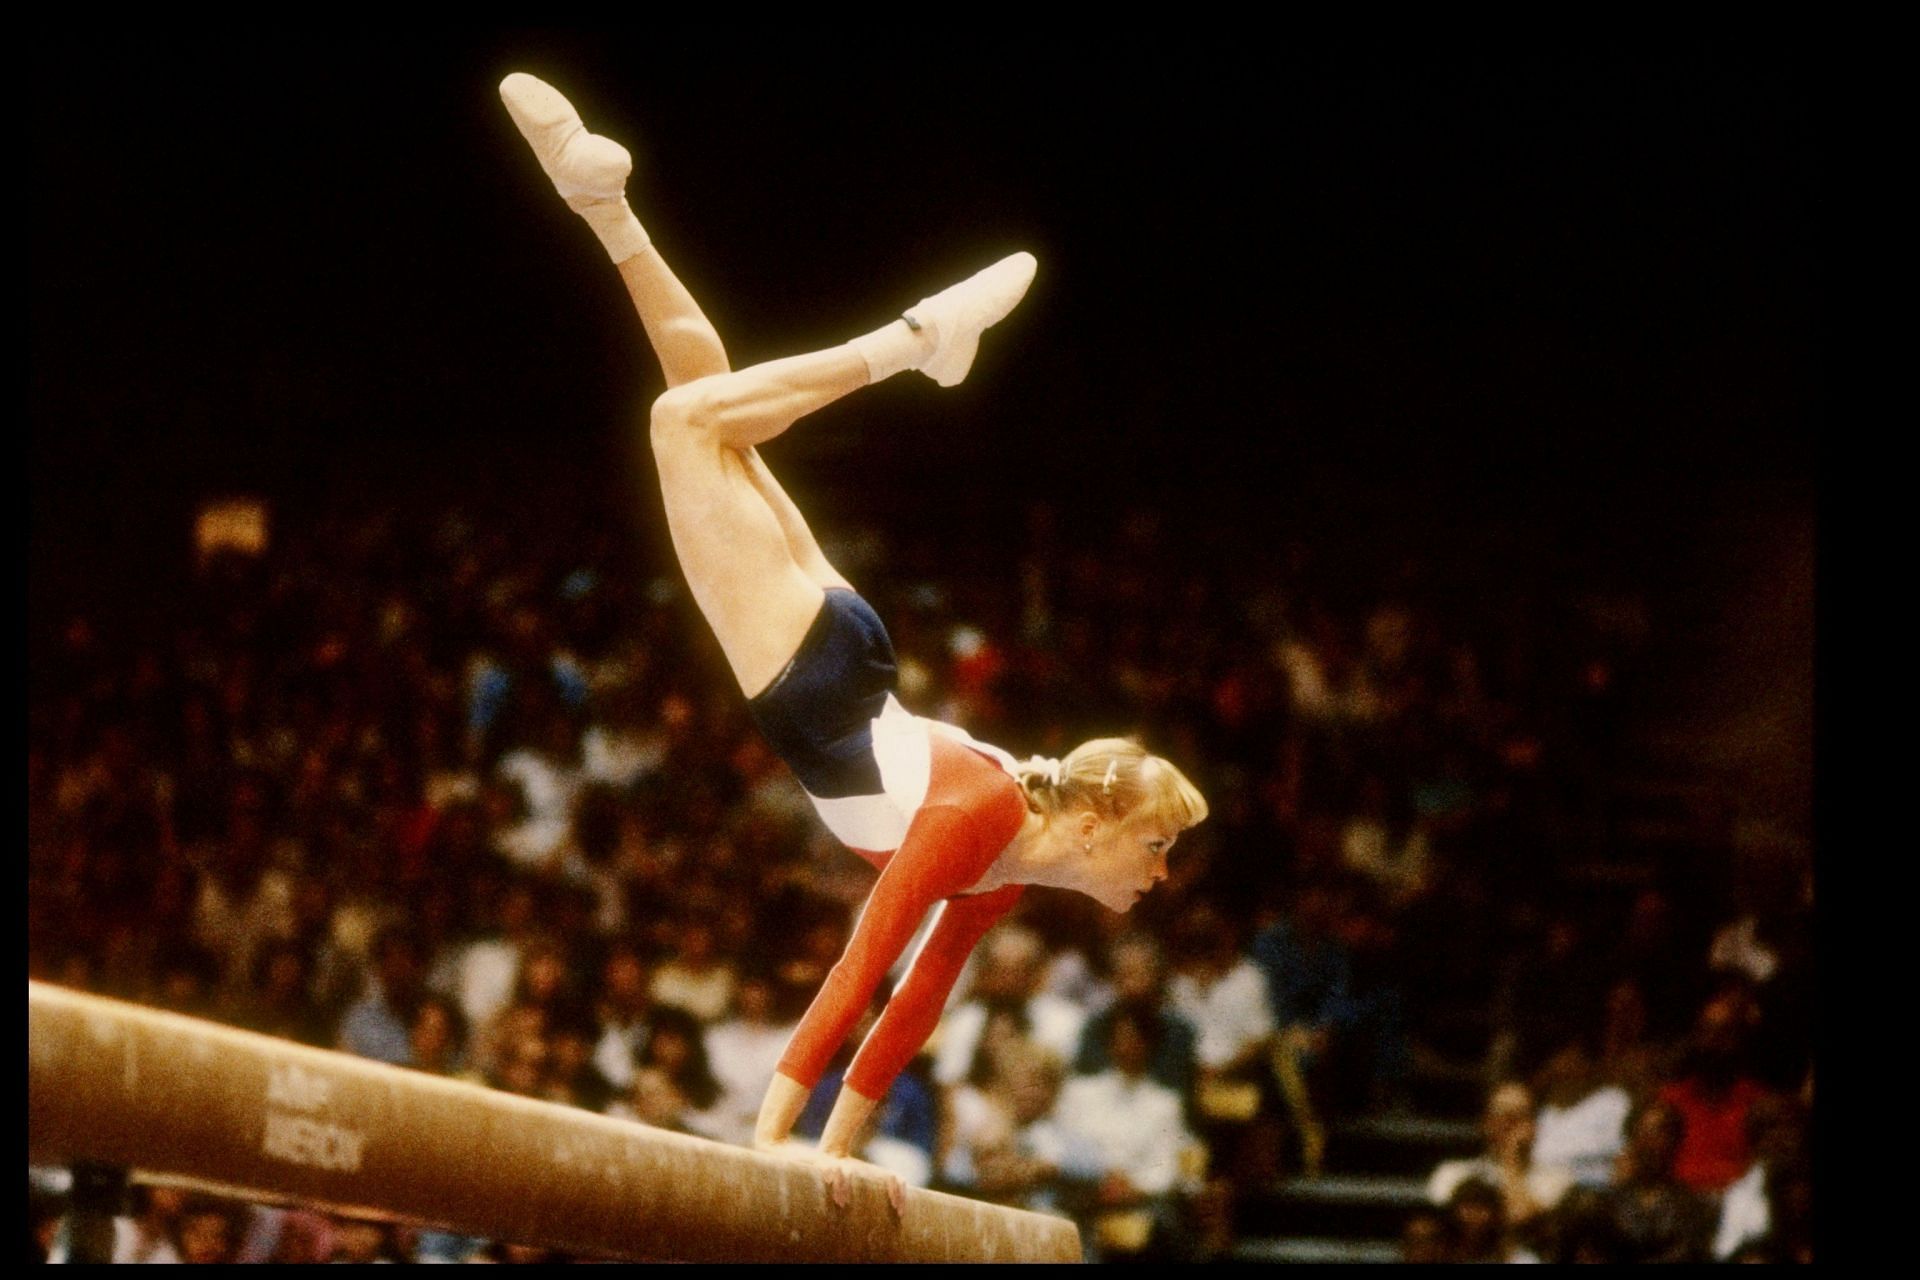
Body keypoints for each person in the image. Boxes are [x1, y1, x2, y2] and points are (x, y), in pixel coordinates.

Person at [500, 72, 1209, 1200]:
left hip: (841, 661)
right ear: (1092, 823)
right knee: (685, 420)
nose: (1161, 875)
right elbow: (859, 965)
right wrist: (772, 1138)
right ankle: (912, 340)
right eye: (1157, 845)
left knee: (711, 405)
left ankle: (604, 205)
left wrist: (835, 1157)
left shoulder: (999, 867)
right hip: (812, 674)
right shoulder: (981, 815)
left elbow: (909, 1008)